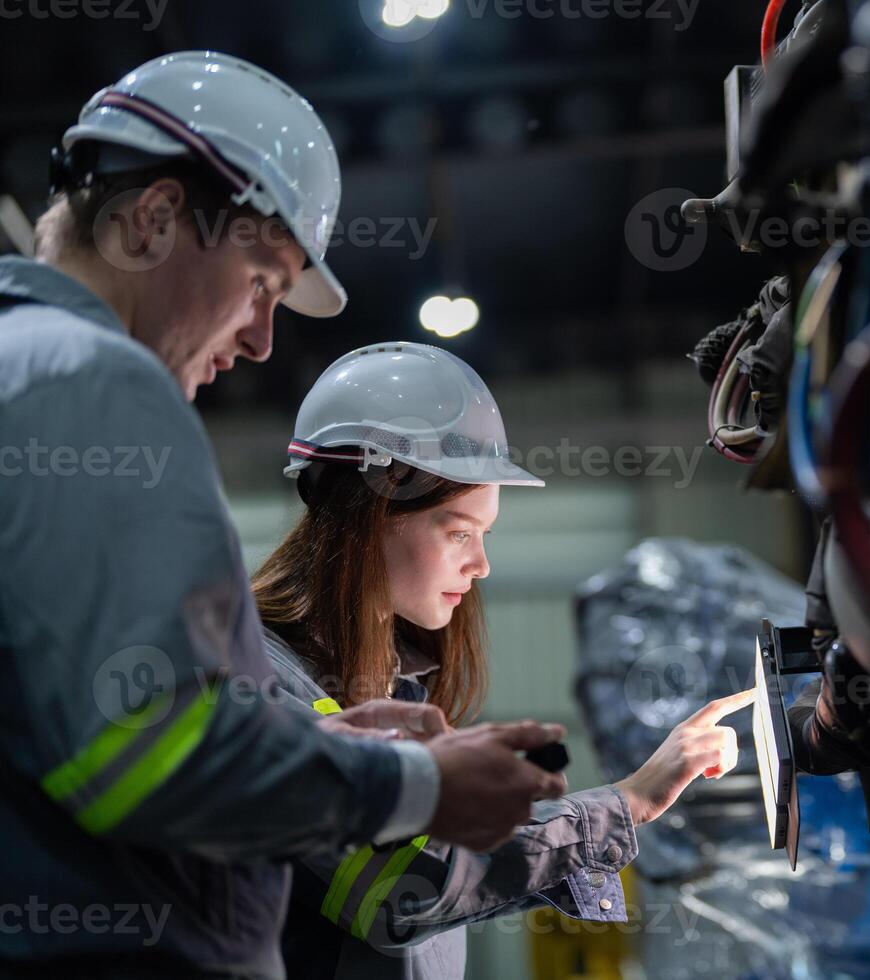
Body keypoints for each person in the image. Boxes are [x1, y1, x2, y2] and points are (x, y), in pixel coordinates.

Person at [0, 53, 566, 978]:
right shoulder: (94, 383)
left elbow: (71, 726)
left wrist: (307, 741)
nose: (263, 337)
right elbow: (139, 758)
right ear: (153, 222)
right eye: (262, 279)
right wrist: (415, 785)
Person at [249, 341, 753, 978]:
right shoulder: (262, 683)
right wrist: (626, 803)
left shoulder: (399, 694)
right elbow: (399, 887)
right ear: (369, 511)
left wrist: (568, 831)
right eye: (459, 531)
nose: (481, 565)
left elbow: (455, 871)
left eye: (483, 536)